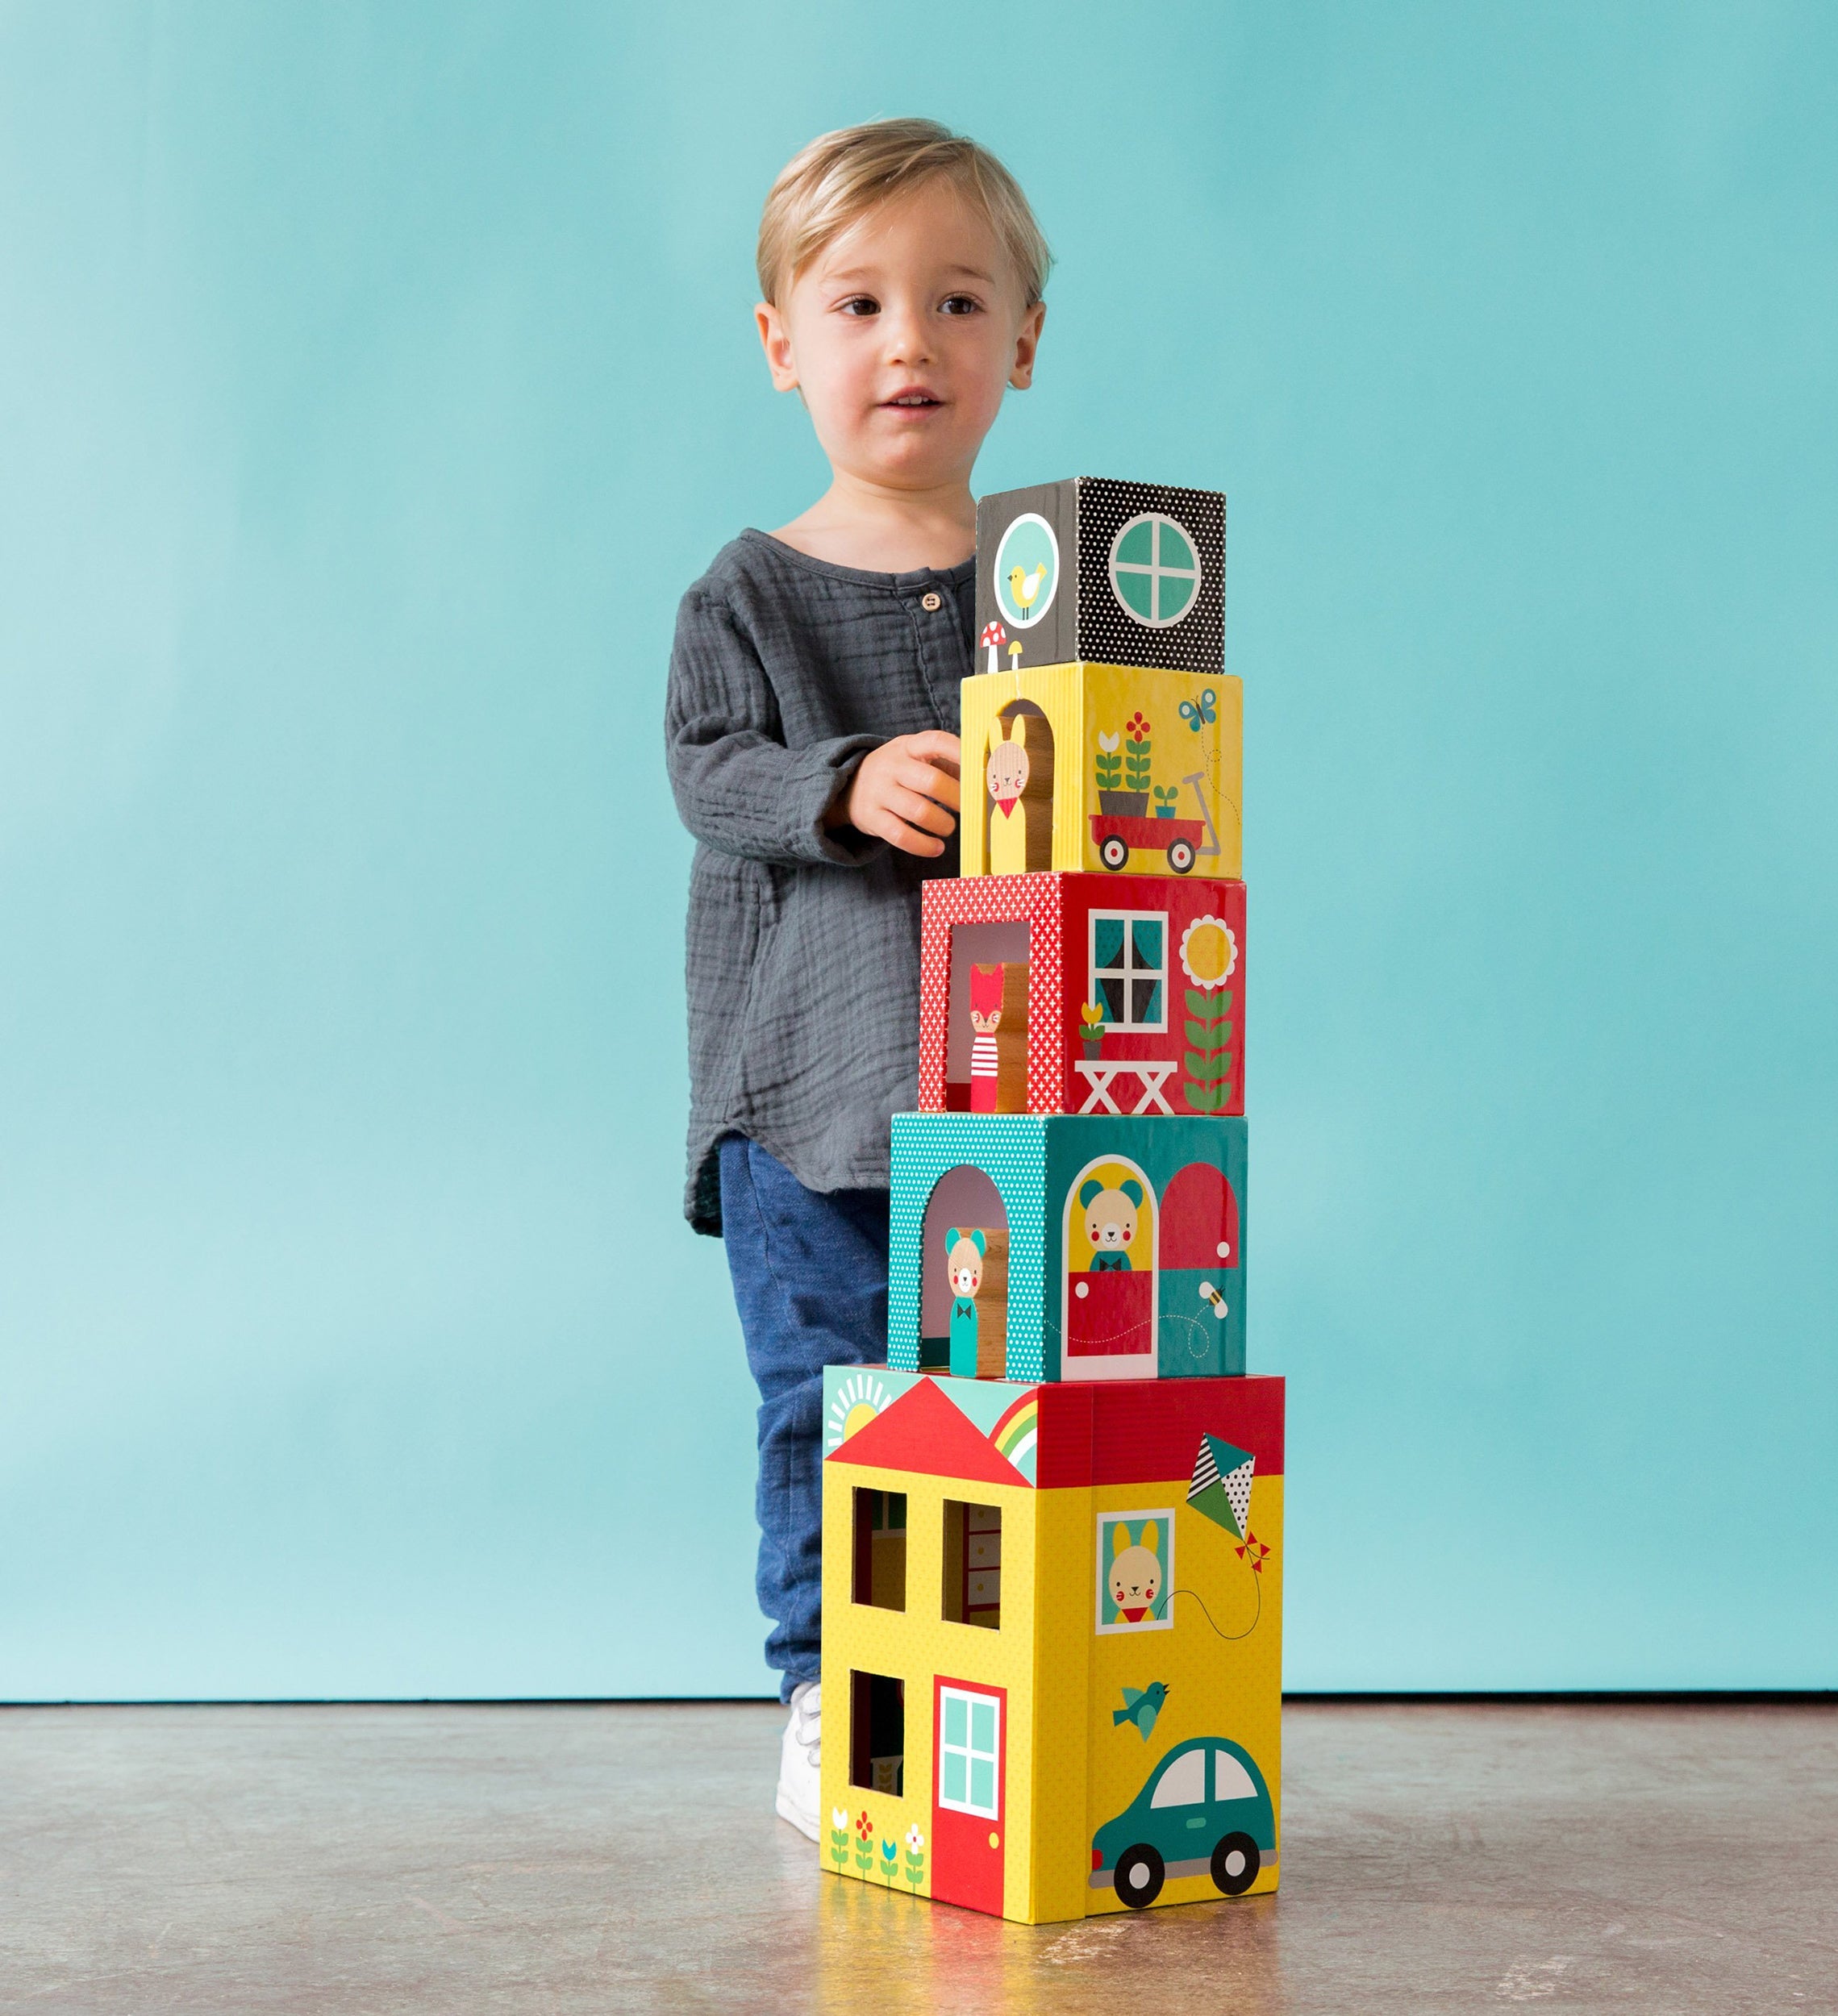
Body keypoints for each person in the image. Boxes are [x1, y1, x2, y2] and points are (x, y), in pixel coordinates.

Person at [664, 119, 1048, 1841]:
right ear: (780, 344)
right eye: (861, 301)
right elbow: (705, 769)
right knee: (824, 1413)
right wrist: (838, 781)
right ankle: (826, 1685)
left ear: (1019, 344)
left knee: (996, 1411)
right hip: (804, 1109)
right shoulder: (746, 587)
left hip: (1015, 1113)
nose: (911, 341)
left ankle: (998, 1674)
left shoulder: (1054, 589)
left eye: (958, 301)